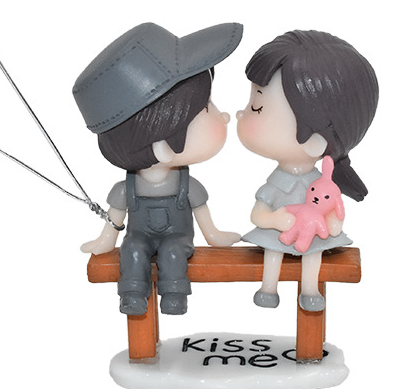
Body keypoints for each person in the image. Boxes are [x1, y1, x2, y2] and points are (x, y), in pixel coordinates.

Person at [73, 22, 242, 315]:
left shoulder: (187, 186)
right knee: (131, 250)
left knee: (174, 252)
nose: (224, 116)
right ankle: (131, 295)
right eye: (207, 107)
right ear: (162, 145)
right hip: (139, 236)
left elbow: (204, 218)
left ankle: (174, 296)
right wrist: (105, 240)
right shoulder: (127, 189)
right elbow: (115, 221)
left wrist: (214, 236)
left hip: (178, 237)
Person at [236, 29, 379, 311]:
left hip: (312, 236)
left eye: (257, 106)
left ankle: (310, 291)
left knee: (315, 255)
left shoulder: (323, 184)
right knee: (273, 251)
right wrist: (274, 219)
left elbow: (333, 211)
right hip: (279, 235)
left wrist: (333, 224)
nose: (241, 113)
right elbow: (257, 214)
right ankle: (268, 288)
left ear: (315, 141)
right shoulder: (278, 183)